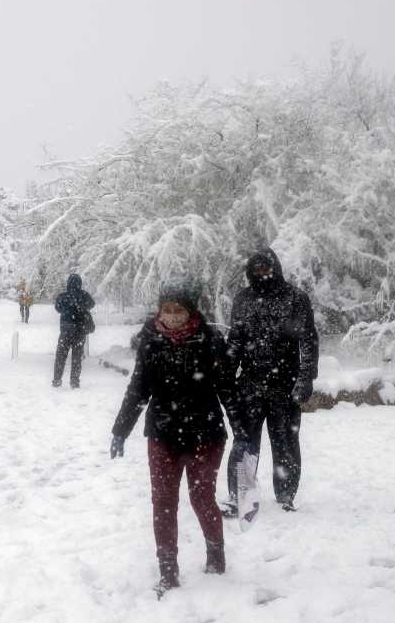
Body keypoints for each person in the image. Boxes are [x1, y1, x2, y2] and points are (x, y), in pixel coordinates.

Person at [109, 279, 232, 598]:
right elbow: (138, 388)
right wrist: (120, 430)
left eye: (179, 310)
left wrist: (244, 432)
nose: (172, 316)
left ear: (191, 311)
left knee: (201, 497)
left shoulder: (210, 340)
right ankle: (168, 571)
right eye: (167, 309)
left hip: (205, 432)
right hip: (163, 433)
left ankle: (216, 557)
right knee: (163, 502)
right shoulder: (151, 341)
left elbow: (227, 388)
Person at [222, 248, 318, 514]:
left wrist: (305, 379)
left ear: (275, 268)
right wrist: (227, 376)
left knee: (286, 443)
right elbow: (236, 340)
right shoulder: (243, 299)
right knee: (244, 443)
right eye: (257, 269)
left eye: (266, 268)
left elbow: (308, 341)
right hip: (250, 384)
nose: (262, 274)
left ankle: (286, 495)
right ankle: (238, 495)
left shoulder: (295, 298)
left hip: (284, 386)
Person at [52, 273, 94, 388]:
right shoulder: (84, 295)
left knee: (60, 356)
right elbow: (92, 304)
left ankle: (56, 380)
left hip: (65, 329)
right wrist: (80, 306)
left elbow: (57, 308)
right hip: (80, 331)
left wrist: (68, 308)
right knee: (77, 357)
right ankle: (74, 382)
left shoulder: (63, 296)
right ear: (80, 283)